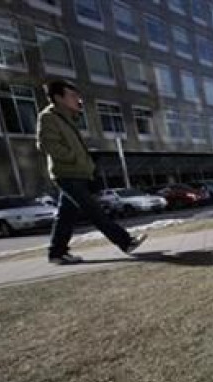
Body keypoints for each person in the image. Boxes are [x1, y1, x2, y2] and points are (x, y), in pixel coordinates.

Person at [36, 79, 146, 264]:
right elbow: (47, 145)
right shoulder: (48, 117)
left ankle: (57, 253)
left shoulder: (67, 117)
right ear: (58, 98)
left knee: (66, 215)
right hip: (67, 174)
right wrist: (76, 158)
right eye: (72, 96)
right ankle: (126, 242)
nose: (77, 99)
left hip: (77, 173)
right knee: (94, 211)